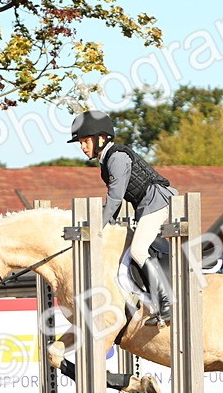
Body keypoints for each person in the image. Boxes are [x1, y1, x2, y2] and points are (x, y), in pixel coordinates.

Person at [69, 109, 176, 325]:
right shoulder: (106, 160)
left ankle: (166, 304)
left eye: (86, 141)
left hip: (159, 202)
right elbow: (115, 204)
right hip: (147, 205)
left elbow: (115, 200)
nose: (82, 147)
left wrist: (95, 227)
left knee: (137, 250)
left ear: (101, 138)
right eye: (80, 142)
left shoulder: (117, 158)